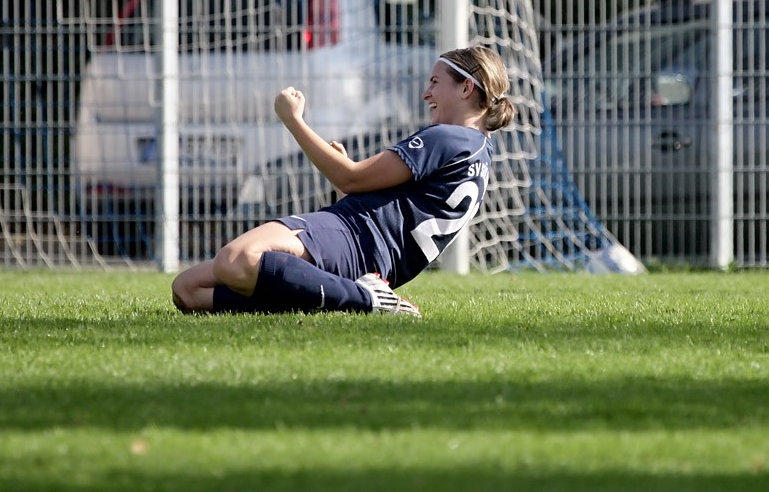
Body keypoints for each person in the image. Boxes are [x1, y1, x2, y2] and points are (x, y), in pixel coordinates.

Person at [171, 45, 515, 316]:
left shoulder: (448, 137)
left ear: (466, 87)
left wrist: (293, 120)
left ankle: (366, 298)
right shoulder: (479, 153)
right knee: (187, 290)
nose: (427, 93)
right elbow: (392, 202)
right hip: (367, 254)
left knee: (237, 259)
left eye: (435, 83)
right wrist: (349, 180)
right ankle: (333, 294)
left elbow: (350, 177)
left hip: (354, 238)